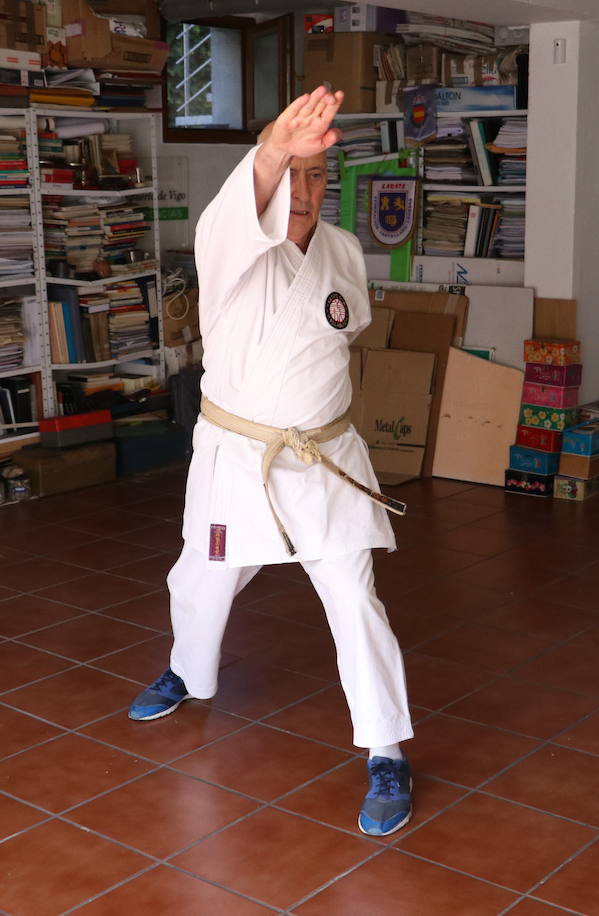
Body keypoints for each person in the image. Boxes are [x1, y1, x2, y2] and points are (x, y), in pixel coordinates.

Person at [128, 86, 415, 837]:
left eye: (317, 177)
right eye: (291, 176)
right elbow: (250, 192)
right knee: (202, 578)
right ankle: (187, 673)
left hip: (323, 458)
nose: (304, 192)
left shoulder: (344, 251)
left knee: (355, 601)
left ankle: (385, 748)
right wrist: (273, 151)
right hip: (238, 458)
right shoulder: (228, 246)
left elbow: (337, 339)